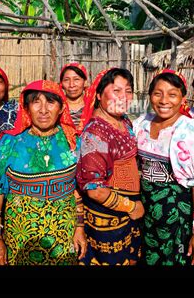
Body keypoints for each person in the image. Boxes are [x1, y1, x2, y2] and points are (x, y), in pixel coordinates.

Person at [0, 80, 87, 265]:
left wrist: (79, 228)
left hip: (64, 235)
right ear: (26, 108)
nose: (43, 110)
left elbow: (76, 188)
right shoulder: (10, 143)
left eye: (50, 102)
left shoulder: (72, 142)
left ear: (61, 108)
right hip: (21, 238)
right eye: (36, 102)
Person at [133, 69, 194, 265]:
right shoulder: (141, 124)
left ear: (183, 98)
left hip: (178, 215)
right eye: (157, 93)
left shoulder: (191, 130)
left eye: (172, 95)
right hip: (146, 213)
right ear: (150, 95)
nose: (164, 101)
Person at [76, 68, 144, 266]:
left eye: (128, 91)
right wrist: (130, 206)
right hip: (108, 218)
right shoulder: (95, 133)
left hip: (126, 215)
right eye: (116, 90)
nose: (123, 97)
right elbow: (94, 189)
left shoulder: (123, 121)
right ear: (98, 95)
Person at [59, 62, 90, 134]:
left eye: (76, 79)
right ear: (61, 84)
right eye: (66, 80)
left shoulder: (92, 106)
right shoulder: (58, 107)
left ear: (85, 82)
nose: (71, 85)